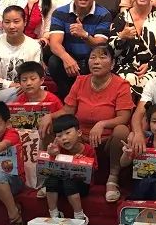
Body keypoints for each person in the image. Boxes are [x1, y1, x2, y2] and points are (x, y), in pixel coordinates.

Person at [54, 44, 133, 202]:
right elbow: (67, 111)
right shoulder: (80, 81)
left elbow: (124, 118)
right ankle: (50, 176)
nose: (96, 61)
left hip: (107, 140)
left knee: (122, 130)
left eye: (102, 57)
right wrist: (49, 117)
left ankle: (112, 179)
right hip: (80, 138)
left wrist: (102, 124)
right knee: (51, 124)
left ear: (112, 63)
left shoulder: (121, 85)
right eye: (93, 57)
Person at [47, 0, 112, 99]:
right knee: (54, 61)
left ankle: (88, 100)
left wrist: (85, 35)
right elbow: (55, 44)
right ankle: (67, 99)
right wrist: (67, 58)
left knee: (99, 59)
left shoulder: (104, 14)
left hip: (92, 58)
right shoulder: (60, 12)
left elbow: (101, 44)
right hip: (69, 58)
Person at [110, 0, 156, 99]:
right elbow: (110, 51)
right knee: (126, 86)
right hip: (125, 68)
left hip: (154, 67)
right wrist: (122, 37)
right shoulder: (121, 17)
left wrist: (151, 64)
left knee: (152, 86)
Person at [0, 6, 43, 93]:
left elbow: (37, 74)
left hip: (24, 91)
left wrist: (24, 86)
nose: (11, 26)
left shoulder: (34, 46)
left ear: (25, 22)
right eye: (7, 22)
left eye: (16, 22)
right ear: (2, 23)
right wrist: (10, 85)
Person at [44, 115, 92, 222]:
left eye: (67, 133)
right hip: (61, 186)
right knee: (51, 180)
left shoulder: (88, 150)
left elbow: (93, 172)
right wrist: (52, 156)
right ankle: (54, 214)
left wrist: (82, 163)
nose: (64, 138)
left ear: (79, 133)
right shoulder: (57, 149)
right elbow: (48, 170)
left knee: (68, 180)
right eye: (59, 136)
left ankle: (80, 216)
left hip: (80, 186)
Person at [15, 61, 64, 141]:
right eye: (24, 80)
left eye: (33, 79)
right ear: (20, 83)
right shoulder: (20, 100)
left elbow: (63, 121)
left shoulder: (53, 100)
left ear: (41, 80)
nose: (28, 83)